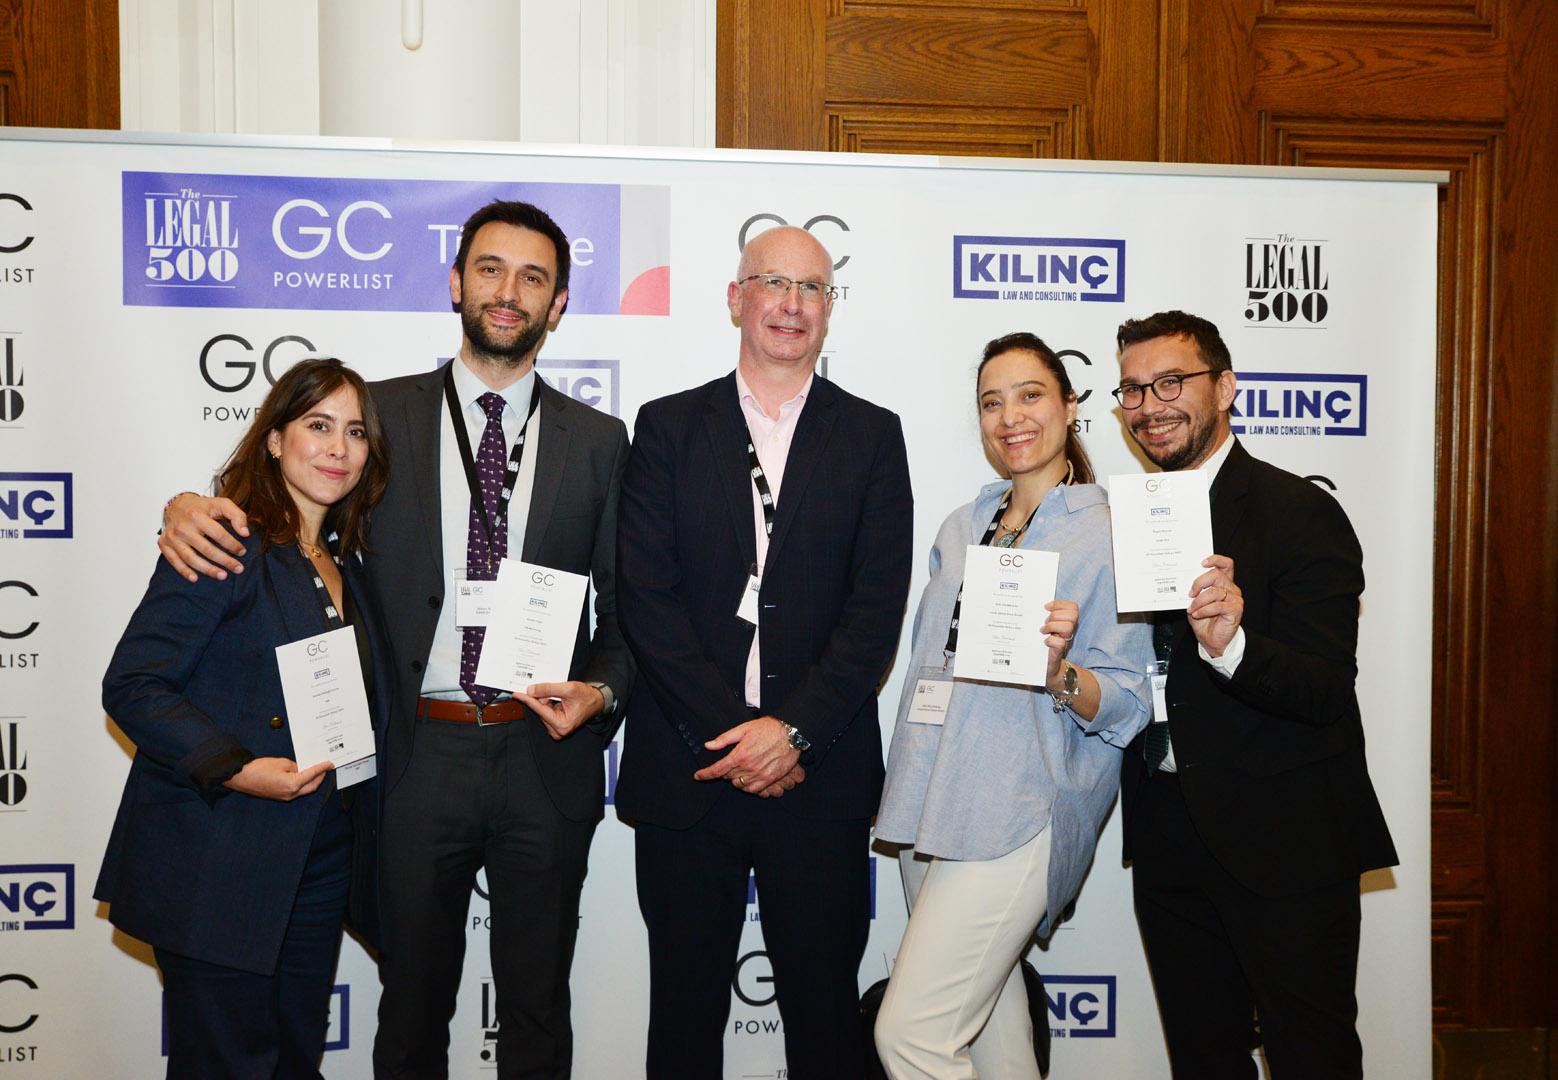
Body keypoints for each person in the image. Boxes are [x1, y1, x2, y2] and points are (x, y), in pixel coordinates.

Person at [157, 200, 634, 1080]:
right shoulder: (374, 417)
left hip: (543, 753)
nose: (509, 291)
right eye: (489, 269)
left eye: (533, 277)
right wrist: (188, 505)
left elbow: (625, 612)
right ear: (455, 283)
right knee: (410, 1007)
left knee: (539, 1007)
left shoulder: (601, 441)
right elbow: (283, 506)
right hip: (413, 755)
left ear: (558, 303)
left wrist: (600, 691)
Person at [614, 225, 914, 1079]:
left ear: (830, 308)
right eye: (773, 283)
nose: (791, 304)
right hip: (690, 773)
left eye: (811, 288)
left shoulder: (871, 435)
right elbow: (647, 599)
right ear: (735, 298)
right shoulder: (668, 427)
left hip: (817, 777)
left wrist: (792, 733)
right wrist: (735, 737)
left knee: (825, 1024)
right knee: (683, 1023)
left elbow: (874, 612)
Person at [1112, 310, 1398, 1079]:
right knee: (1203, 1061)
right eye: (1132, 389)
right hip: (1168, 833)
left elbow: (1325, 687)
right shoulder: (1131, 521)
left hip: (1286, 842)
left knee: (1312, 1058)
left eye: (1171, 382)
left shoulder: (1300, 512)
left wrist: (1232, 645)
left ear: (1226, 387)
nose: (1150, 405)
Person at [97, 357, 394, 1079]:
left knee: (294, 1059)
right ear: (274, 439)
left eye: (355, 432)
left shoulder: (349, 565)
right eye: (318, 425)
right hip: (221, 855)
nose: (338, 448)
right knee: (227, 1065)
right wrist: (235, 767)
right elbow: (134, 684)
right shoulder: (226, 541)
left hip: (319, 857)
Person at [871, 332, 1152, 1079]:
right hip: (929, 802)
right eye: (991, 402)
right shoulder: (961, 526)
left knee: (911, 1035)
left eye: (1030, 395)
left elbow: (1128, 703)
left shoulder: (1111, 534)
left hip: (1019, 811)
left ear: (1070, 405)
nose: (1010, 417)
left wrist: (1059, 673)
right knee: (997, 1041)